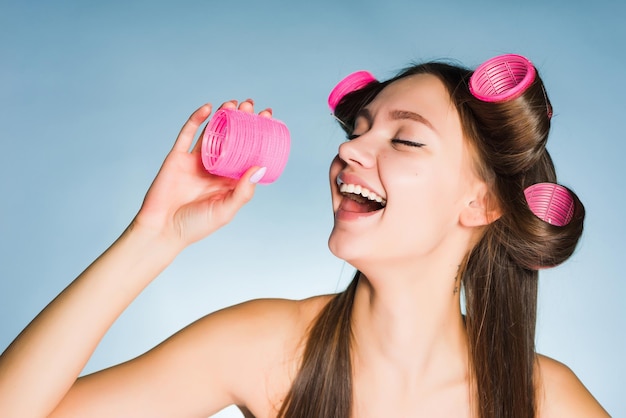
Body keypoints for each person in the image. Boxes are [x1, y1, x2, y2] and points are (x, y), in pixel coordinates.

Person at [0, 55, 609, 418]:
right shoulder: (268, 347)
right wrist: (153, 235)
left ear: (481, 202)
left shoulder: (543, 400)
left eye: (403, 139)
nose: (348, 148)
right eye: (360, 129)